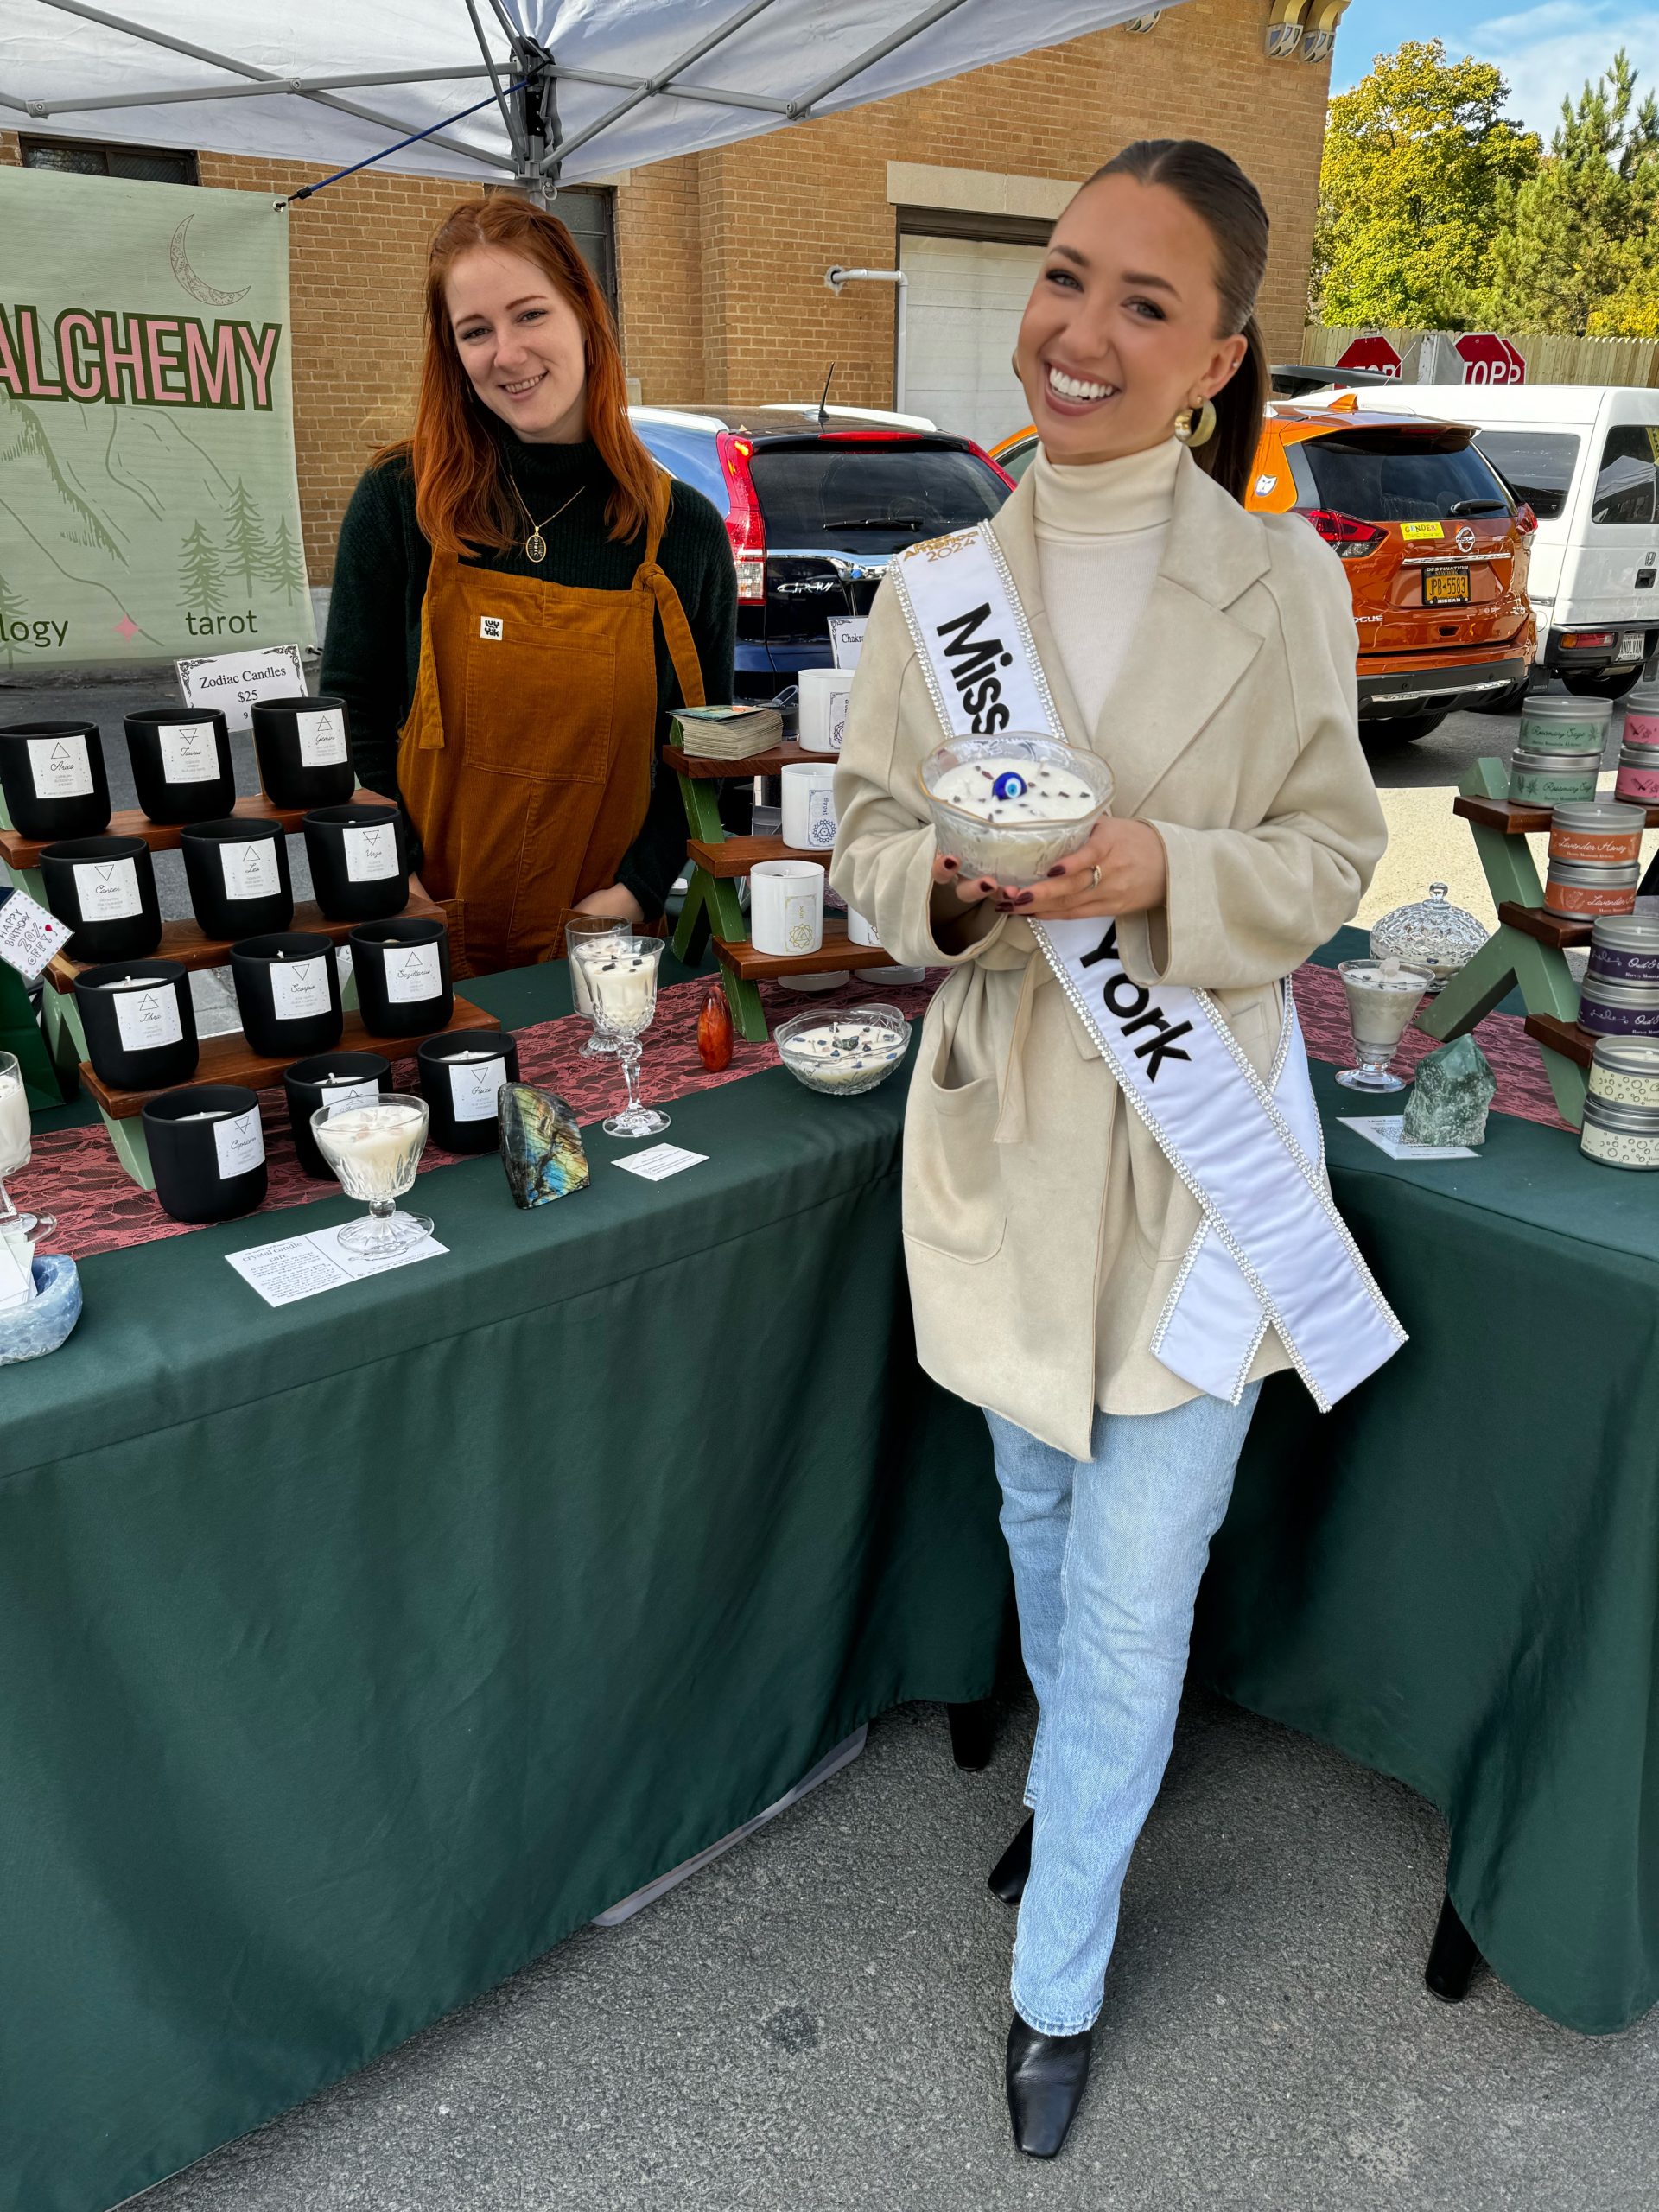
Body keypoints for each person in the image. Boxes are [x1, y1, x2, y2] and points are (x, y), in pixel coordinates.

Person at [830, 140, 1389, 2159]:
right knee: (1042, 1532)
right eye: (1066, 278)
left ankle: (1054, 1971)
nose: (1081, 331)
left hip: (1195, 1152)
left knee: (1138, 1586)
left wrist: (1169, 867)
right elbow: (870, 840)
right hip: (1005, 1128)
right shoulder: (929, 591)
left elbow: (1331, 858)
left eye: (1145, 304)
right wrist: (957, 903)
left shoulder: (1290, 581)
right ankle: (1081, 1799)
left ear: (1215, 354)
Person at [321, 195, 735, 976]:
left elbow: (707, 753)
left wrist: (635, 893)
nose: (506, 354)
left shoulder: (682, 533)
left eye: (529, 315)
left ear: (585, 313)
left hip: (606, 953)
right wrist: (395, 885)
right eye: (475, 332)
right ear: (452, 354)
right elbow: (352, 712)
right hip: (422, 938)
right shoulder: (399, 501)